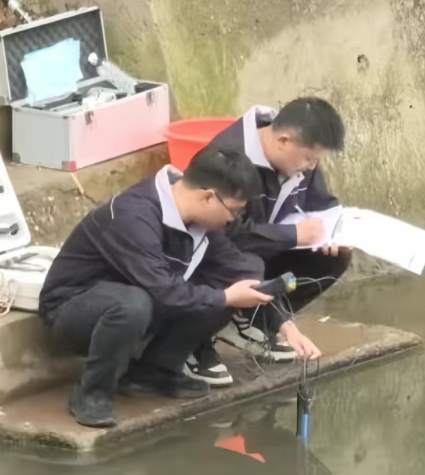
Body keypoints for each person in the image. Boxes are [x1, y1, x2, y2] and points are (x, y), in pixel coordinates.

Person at [38, 145, 282, 428]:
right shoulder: (133, 216)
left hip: (140, 302)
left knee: (223, 290)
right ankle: (92, 394)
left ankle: (153, 373)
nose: (232, 221)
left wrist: (279, 317)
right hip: (75, 309)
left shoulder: (198, 220)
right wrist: (226, 297)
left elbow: (239, 267)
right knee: (135, 303)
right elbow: (164, 291)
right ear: (207, 197)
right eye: (234, 212)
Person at [185, 97, 349, 387]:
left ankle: (252, 320)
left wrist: (336, 232)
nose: (312, 167)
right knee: (244, 262)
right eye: (309, 158)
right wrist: (294, 235)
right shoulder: (228, 157)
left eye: (316, 160)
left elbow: (322, 205)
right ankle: (194, 341)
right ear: (284, 140)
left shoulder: (298, 162)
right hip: (213, 256)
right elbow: (225, 232)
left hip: (261, 250)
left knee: (334, 256)